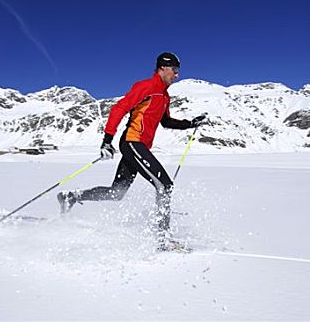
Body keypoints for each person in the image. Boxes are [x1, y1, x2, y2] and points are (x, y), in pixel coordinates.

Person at [57, 52, 206, 250]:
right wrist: (107, 141)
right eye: (174, 70)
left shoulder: (164, 96)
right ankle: (162, 240)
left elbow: (166, 121)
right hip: (132, 142)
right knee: (165, 185)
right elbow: (119, 108)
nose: (177, 75)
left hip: (138, 146)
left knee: (116, 193)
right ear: (162, 68)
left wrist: (190, 123)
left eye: (178, 71)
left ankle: (71, 196)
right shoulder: (146, 87)